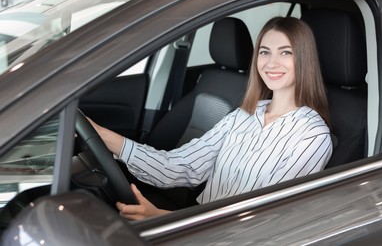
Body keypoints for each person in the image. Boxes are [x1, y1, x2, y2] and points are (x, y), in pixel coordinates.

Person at [89, 16, 333, 220]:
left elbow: (262, 220)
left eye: (286, 52)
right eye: (265, 52)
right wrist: (101, 136)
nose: (271, 63)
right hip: (199, 222)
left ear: (304, 60)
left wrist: (163, 219)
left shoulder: (312, 136)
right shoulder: (244, 115)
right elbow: (181, 165)